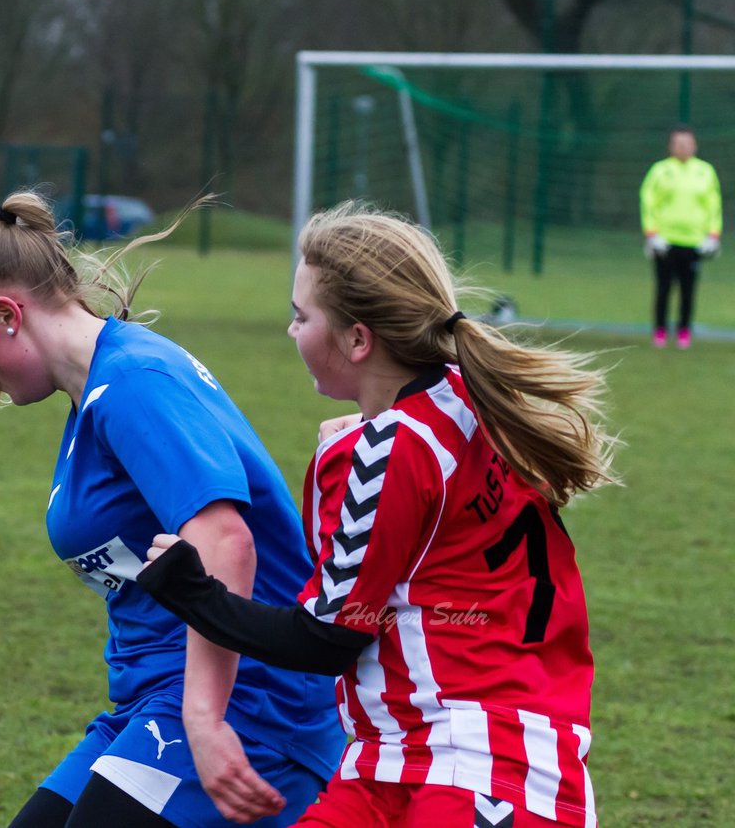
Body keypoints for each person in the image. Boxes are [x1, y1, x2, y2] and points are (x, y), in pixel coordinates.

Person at [139, 204, 619, 827]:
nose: (291, 332)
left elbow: (324, 640)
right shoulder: (471, 395)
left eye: (300, 315)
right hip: (393, 762)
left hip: (476, 768)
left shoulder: (390, 448)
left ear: (358, 339)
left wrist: (190, 590)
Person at [0, 191, 345, 827]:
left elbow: (225, 543)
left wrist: (204, 722)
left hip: (249, 703)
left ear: (7, 314)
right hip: (152, 702)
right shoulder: (95, 393)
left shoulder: (134, 383)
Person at [639, 125, 721, 350]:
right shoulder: (660, 171)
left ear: (694, 145)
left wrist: (713, 235)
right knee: (664, 287)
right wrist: (651, 233)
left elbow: (713, 205)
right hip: (665, 241)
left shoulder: (705, 171)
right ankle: (660, 330)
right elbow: (648, 201)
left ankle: (685, 331)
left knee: (688, 290)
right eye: (678, 143)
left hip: (694, 242)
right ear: (670, 146)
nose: (683, 147)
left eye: (687, 143)